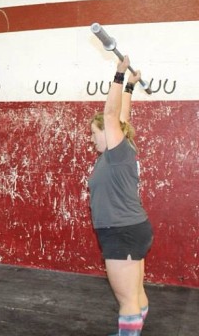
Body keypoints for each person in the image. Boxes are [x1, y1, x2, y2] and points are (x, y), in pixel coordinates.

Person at [88, 56, 153, 336]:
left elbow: (113, 116)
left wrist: (118, 74)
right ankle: (134, 331)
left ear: (107, 133)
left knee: (126, 298)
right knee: (134, 291)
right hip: (130, 229)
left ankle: (129, 333)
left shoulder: (117, 152)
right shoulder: (119, 149)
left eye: (94, 133)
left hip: (121, 232)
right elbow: (123, 117)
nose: (91, 139)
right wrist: (130, 86)